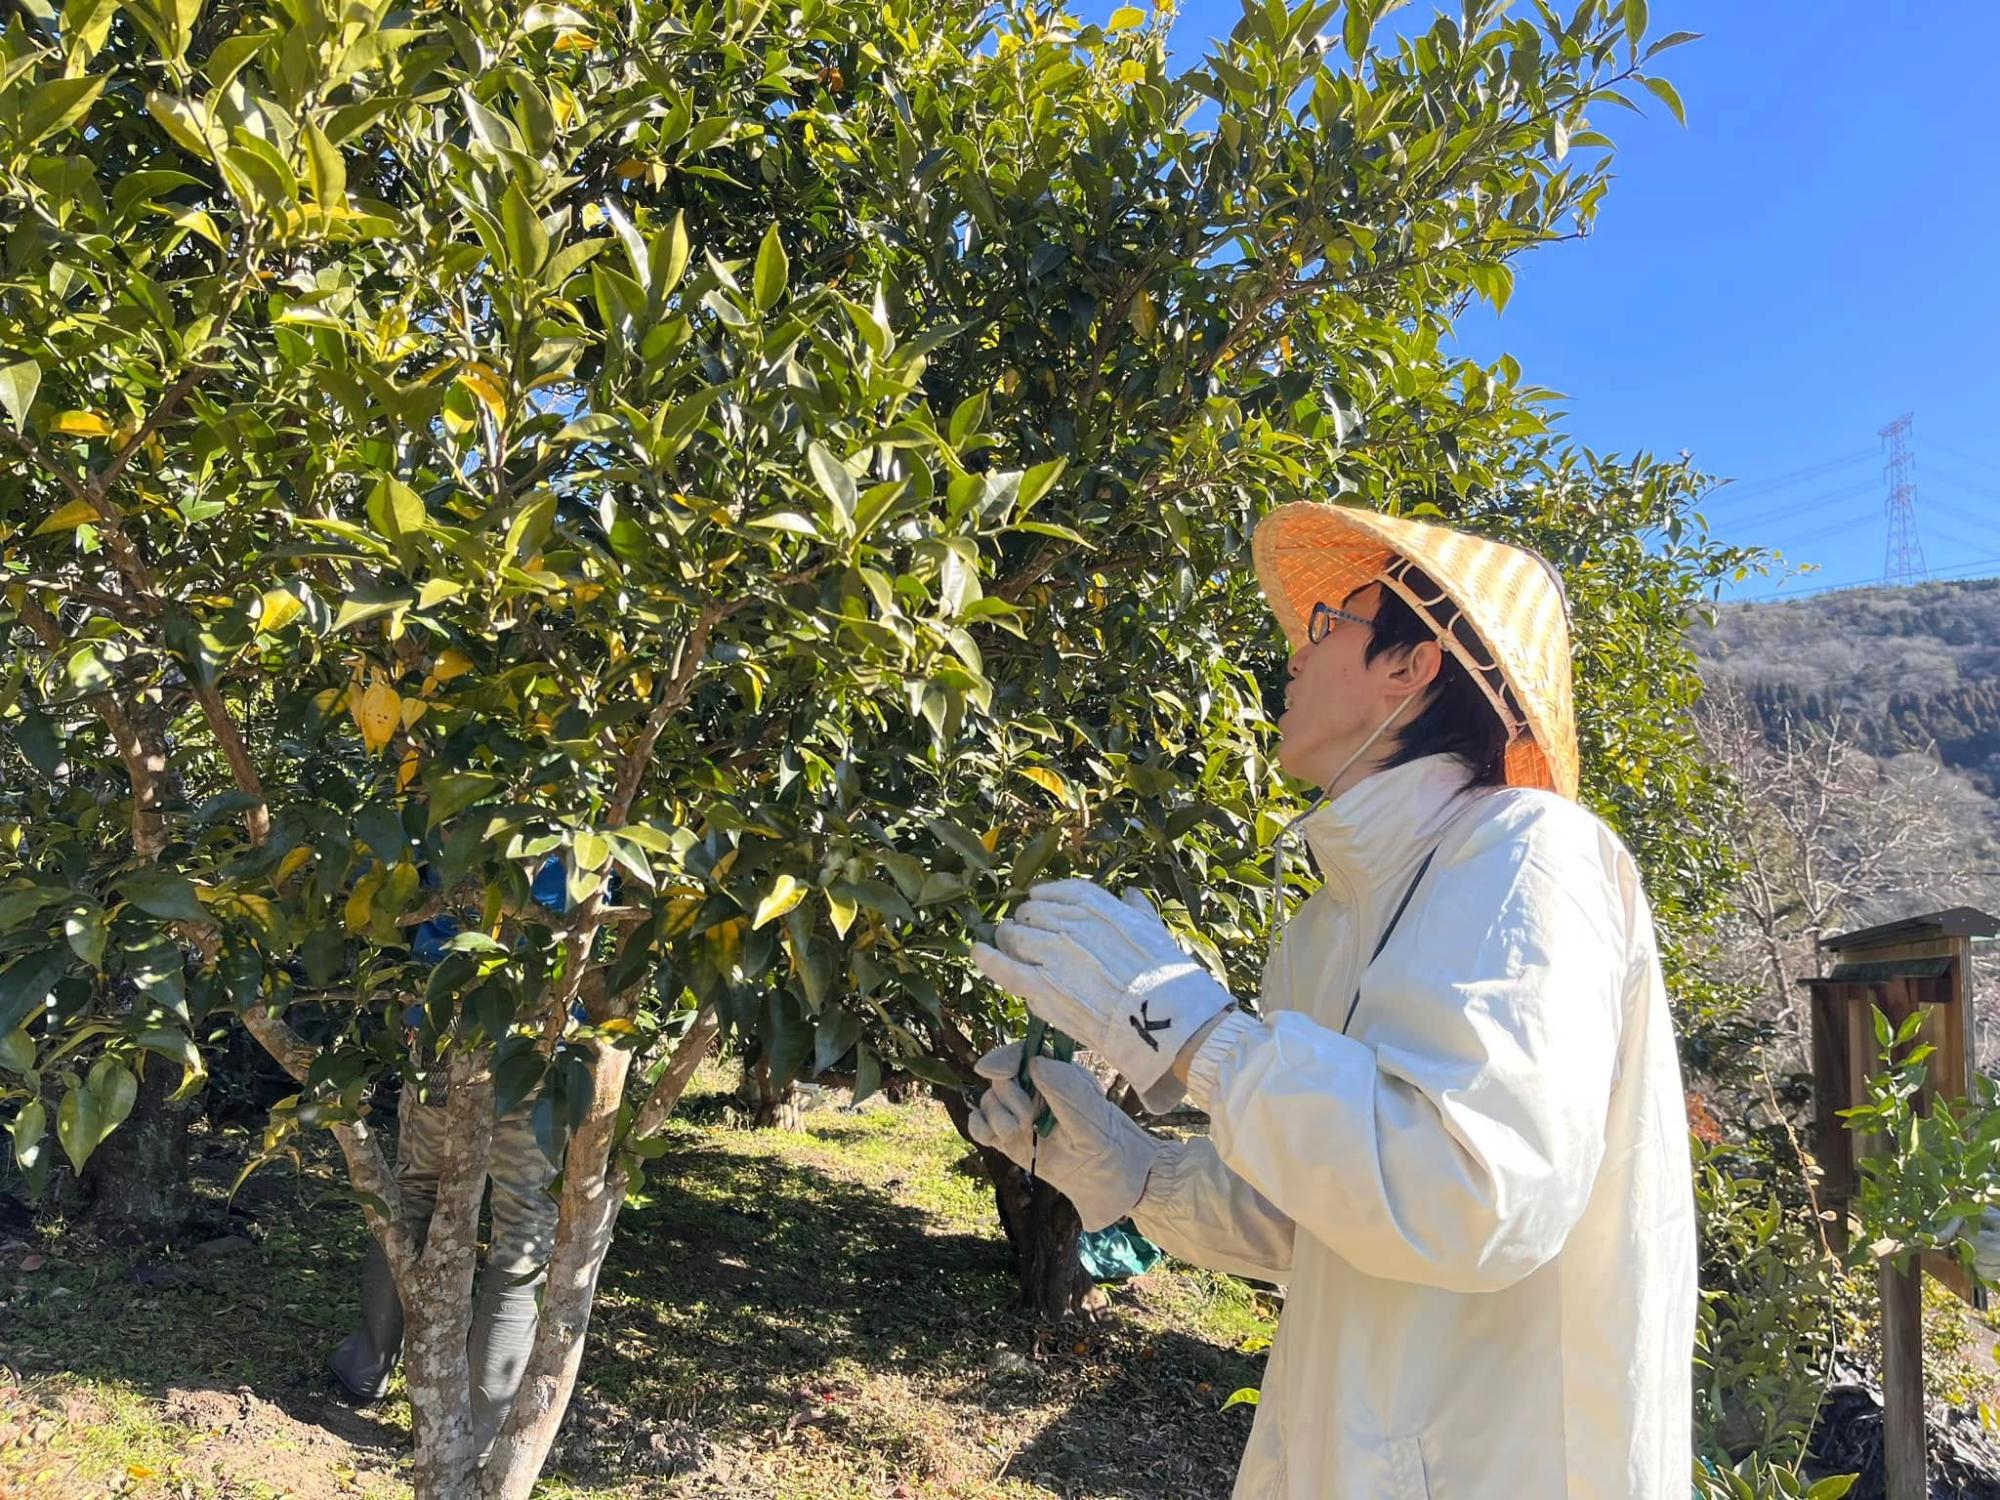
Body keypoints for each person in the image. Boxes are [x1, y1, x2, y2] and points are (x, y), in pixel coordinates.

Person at [968, 506, 1697, 1499]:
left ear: (1410, 667)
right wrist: (1121, 1167)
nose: (1292, 658)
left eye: (1326, 628)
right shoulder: (1324, 925)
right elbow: (1300, 1219)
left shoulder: (1528, 853)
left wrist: (1187, 1031)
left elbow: (1471, 1194)